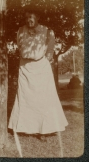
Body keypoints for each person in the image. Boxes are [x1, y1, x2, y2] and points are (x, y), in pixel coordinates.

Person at [8, 8, 68, 137]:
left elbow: (50, 50)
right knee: (25, 97)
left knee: (43, 98)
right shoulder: (20, 31)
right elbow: (20, 46)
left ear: (38, 17)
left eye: (31, 17)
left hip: (41, 68)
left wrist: (42, 59)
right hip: (25, 68)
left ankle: (45, 128)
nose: (29, 20)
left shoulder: (47, 32)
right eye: (26, 17)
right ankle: (25, 128)